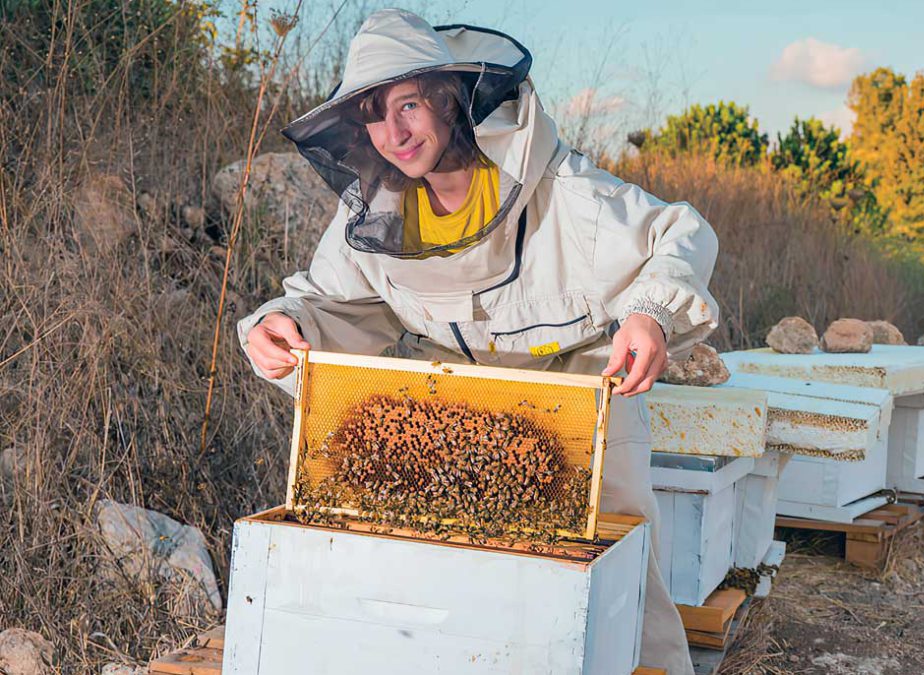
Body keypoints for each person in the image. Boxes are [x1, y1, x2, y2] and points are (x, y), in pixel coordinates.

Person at [238, 9, 718, 674]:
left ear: (447, 97)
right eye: (374, 115)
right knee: (476, 610)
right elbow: (331, 305)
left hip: (585, 407)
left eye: (408, 104)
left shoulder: (561, 190)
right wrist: (278, 324)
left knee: (623, 601)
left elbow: (680, 234)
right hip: (461, 414)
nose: (394, 133)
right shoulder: (375, 212)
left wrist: (649, 313)